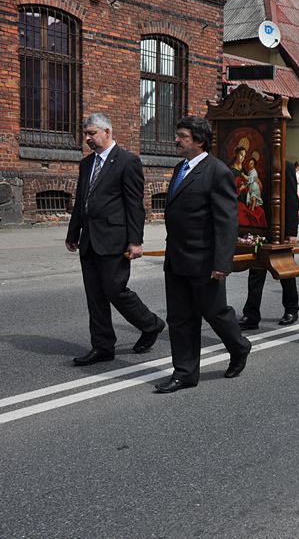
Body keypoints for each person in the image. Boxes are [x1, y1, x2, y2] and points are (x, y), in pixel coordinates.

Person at [156, 116, 252, 393]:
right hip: (176, 257)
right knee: (180, 317)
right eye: (178, 135)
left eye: (183, 136)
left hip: (203, 259)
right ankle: (185, 373)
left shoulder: (217, 171)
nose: (177, 140)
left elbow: (226, 221)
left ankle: (239, 346)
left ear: (199, 140)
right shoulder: (180, 168)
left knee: (215, 312)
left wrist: (222, 262)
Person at [65, 113, 165, 366]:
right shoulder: (86, 164)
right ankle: (102, 347)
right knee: (95, 296)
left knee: (114, 290)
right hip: (89, 240)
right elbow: (81, 201)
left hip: (114, 239)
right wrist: (73, 232)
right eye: (85, 133)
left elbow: (135, 205)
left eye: (92, 133)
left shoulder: (127, 161)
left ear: (107, 132)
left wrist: (136, 241)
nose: (87, 138)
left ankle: (151, 324)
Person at [238, 160, 299, 330]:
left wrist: (291, 232)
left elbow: (292, 200)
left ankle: (291, 309)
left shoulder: (285, 166)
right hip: (259, 224)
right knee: (256, 269)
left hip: (279, 228)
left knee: (285, 269)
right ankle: (251, 314)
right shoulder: (253, 168)